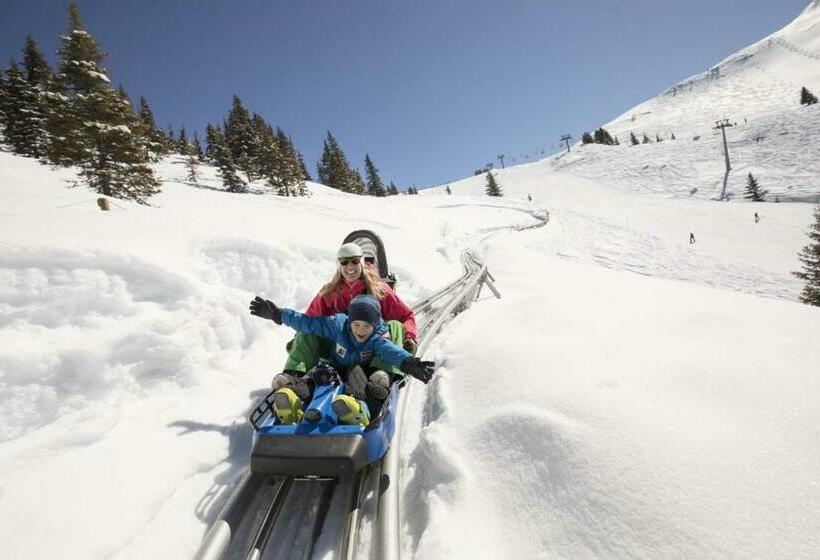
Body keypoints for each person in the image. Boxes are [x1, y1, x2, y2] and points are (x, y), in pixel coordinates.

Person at [250, 294, 435, 426]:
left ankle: (358, 411)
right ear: (349, 322)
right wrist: (278, 314)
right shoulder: (337, 325)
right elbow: (307, 323)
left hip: (359, 374)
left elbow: (392, 352)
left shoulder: (378, 338)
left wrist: (412, 364)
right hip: (334, 368)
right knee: (315, 377)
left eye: (366, 326)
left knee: (356, 377)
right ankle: (293, 404)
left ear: (375, 325)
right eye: (356, 325)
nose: (360, 331)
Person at [281, 242, 418, 378]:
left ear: (362, 263)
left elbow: (406, 316)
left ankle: (382, 376)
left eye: (354, 260)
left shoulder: (380, 291)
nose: (350, 266)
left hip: (373, 352)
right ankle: (294, 374)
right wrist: (298, 342)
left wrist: (409, 337)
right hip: (339, 352)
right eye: (344, 262)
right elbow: (310, 320)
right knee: (308, 330)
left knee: (395, 326)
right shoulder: (330, 292)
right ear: (339, 265)